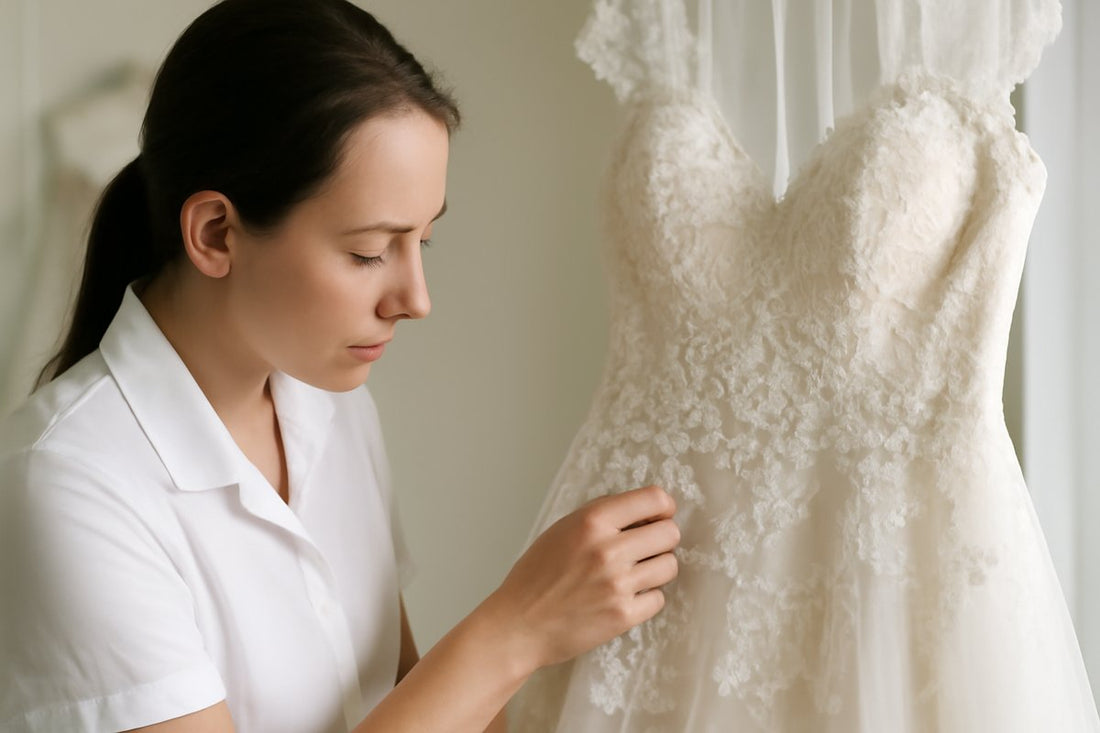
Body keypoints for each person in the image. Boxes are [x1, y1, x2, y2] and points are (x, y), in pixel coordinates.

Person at [0, 1, 681, 731]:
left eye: (425, 239)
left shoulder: (332, 405)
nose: (416, 299)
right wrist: (514, 631)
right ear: (215, 232)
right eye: (368, 252)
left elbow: (404, 697)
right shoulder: (66, 483)